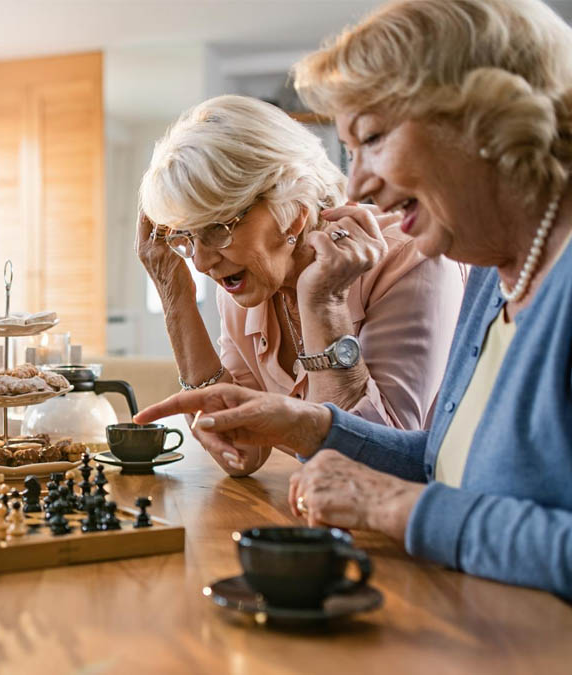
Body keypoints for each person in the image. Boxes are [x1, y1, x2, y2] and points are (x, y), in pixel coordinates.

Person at [136, 0, 572, 598]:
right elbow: (442, 463)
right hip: (466, 616)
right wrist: (306, 425)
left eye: (372, 137)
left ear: (486, 120)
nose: (358, 182)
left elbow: (434, 494)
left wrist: (398, 506)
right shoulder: (492, 277)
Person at [135, 95, 464, 476]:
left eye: (217, 229)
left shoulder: (410, 259)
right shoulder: (246, 284)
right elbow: (240, 451)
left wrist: (325, 304)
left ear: (291, 212)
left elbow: (363, 470)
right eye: (187, 236)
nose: (202, 262)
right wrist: (175, 295)